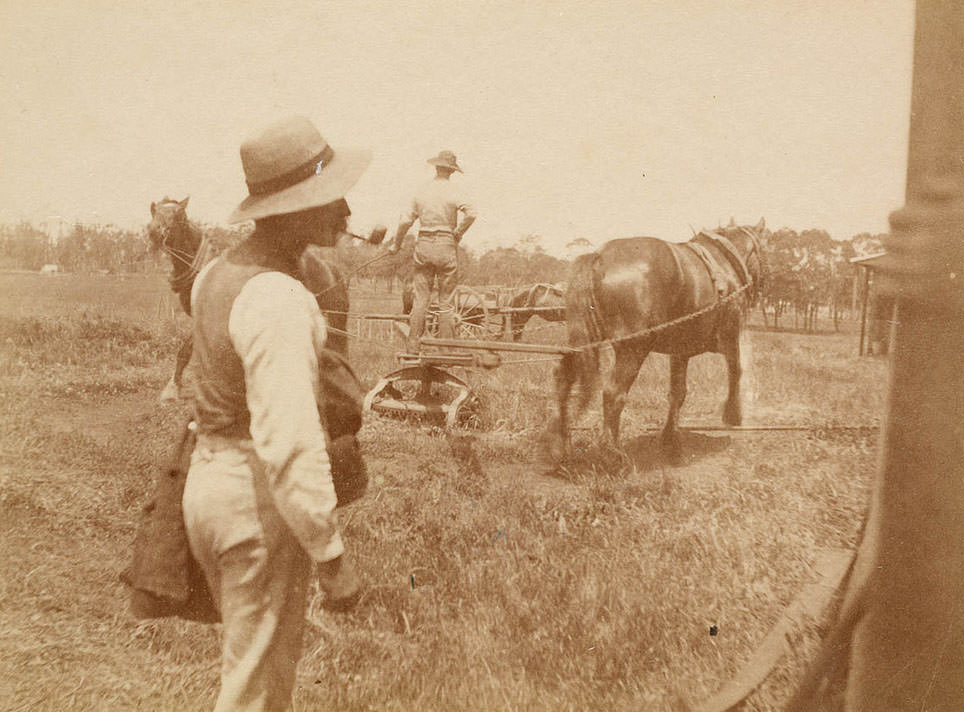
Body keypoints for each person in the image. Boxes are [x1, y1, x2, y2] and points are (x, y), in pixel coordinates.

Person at [182, 115, 368, 711]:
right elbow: (289, 442)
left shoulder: (217, 273)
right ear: (296, 207)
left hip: (209, 483)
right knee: (256, 693)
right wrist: (331, 556)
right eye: (331, 198)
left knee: (247, 668)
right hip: (255, 500)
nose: (345, 214)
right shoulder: (277, 298)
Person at [389, 150, 476, 351]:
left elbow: (405, 221)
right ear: (452, 171)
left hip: (424, 245)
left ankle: (413, 347)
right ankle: (445, 349)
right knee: (446, 300)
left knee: (420, 299)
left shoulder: (422, 191)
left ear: (436, 168)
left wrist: (396, 244)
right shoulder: (456, 191)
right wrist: (458, 233)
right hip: (446, 245)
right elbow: (472, 213)